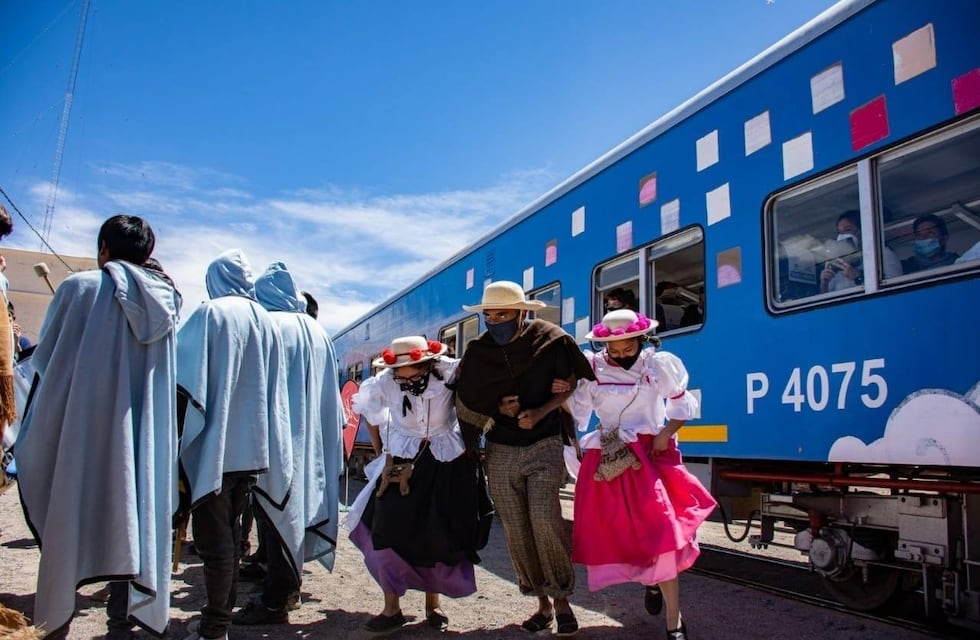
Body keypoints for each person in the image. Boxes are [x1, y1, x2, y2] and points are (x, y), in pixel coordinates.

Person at [15, 215, 182, 639]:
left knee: (71, 521)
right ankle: (120, 628)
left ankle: (57, 626)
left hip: (82, 434)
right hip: (140, 442)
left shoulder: (79, 288)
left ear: (103, 249)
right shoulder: (167, 307)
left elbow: (46, 365)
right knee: (134, 523)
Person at [565, 309, 716, 640]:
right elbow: (579, 413)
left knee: (662, 534)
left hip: (650, 455)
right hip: (608, 456)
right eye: (612, 349)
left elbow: (682, 406)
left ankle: (674, 622)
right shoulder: (592, 368)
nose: (619, 355)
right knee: (621, 533)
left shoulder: (658, 365)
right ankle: (651, 582)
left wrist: (665, 433)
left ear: (640, 340)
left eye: (626, 348)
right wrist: (564, 400)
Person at [455, 280, 594, 637]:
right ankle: (541, 605)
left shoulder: (550, 340)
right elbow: (467, 398)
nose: (495, 320)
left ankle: (562, 601)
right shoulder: (477, 351)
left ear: (520, 313)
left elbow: (571, 381)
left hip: (544, 442)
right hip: (500, 448)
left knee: (545, 520)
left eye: (502, 314)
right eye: (489, 315)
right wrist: (497, 407)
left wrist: (541, 410)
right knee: (517, 528)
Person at [175, 249, 292, 640]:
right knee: (232, 537)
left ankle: (214, 628)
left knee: (215, 545)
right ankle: (217, 621)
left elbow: (181, 378)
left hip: (214, 447)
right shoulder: (266, 320)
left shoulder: (211, 313)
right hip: (253, 450)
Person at [344, 335, 491, 635]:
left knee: (436, 533)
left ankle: (432, 605)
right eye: (401, 372)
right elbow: (369, 412)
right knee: (385, 530)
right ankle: (391, 608)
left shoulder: (451, 371)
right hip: (400, 462)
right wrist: (380, 451)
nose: (406, 377)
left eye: (414, 370)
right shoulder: (383, 381)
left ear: (428, 363)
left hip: (445, 461)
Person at [232, 262, 344, 626]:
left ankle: (278, 598)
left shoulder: (269, 326)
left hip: (277, 436)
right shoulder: (317, 331)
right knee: (293, 509)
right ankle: (276, 575)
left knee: (274, 508)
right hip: (312, 436)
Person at [820, 210, 902, 293]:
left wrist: (859, 276)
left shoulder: (882, 253)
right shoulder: (839, 263)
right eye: (839, 232)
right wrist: (824, 283)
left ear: (862, 230)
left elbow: (894, 288)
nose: (842, 236)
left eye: (847, 230)